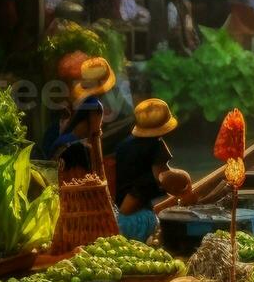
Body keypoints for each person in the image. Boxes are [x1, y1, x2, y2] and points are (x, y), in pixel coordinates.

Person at [113, 98, 193, 242]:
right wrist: (183, 189)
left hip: (120, 214)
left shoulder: (124, 145)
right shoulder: (157, 146)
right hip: (140, 216)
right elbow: (161, 176)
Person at [49, 57, 114, 181]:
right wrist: (99, 173)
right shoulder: (94, 104)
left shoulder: (88, 102)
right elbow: (94, 138)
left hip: (64, 147)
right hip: (70, 150)